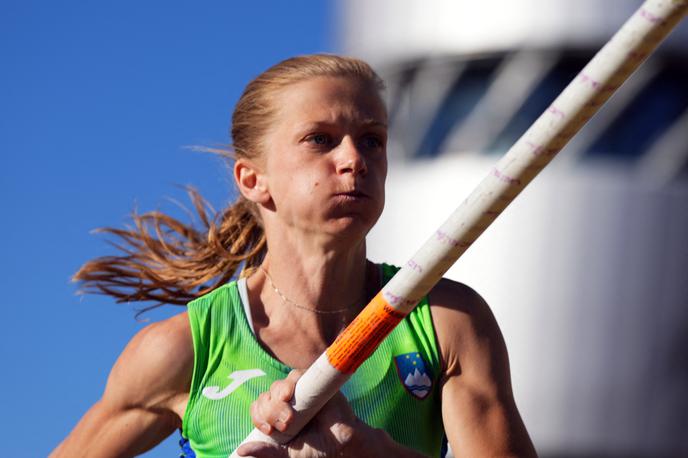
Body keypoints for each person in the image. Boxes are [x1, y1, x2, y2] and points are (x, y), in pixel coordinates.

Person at [51, 54, 536, 458]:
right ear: (252, 180)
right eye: (320, 140)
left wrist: (378, 453)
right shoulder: (185, 351)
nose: (354, 160)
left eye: (372, 140)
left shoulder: (445, 322)